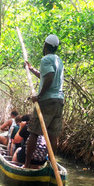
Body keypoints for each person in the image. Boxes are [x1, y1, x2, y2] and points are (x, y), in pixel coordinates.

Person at [23, 34, 64, 169]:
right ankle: (51, 166)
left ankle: (27, 164)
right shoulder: (59, 60)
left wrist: (39, 96)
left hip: (46, 101)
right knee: (53, 135)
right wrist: (31, 69)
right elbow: (45, 76)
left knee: (34, 132)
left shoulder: (46, 59)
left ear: (45, 46)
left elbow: (50, 78)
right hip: (58, 101)